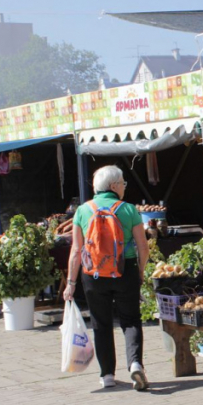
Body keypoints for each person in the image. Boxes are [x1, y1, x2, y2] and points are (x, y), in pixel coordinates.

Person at [64, 165, 151, 390]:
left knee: (101, 323)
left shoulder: (83, 210)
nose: (124, 187)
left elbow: (75, 250)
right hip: (125, 270)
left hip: (93, 275)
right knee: (130, 320)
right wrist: (139, 272)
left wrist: (71, 284)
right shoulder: (129, 209)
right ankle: (135, 364)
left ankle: (107, 376)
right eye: (122, 183)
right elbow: (143, 246)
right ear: (113, 186)